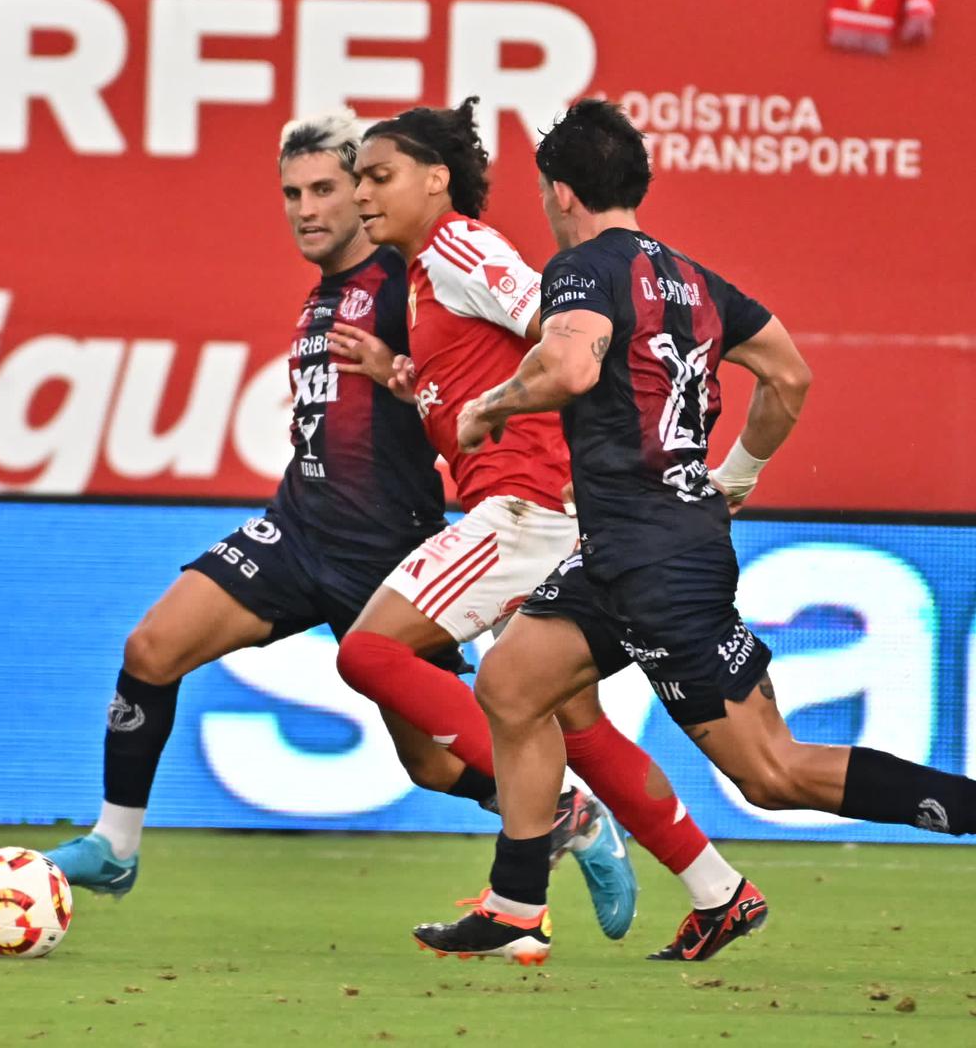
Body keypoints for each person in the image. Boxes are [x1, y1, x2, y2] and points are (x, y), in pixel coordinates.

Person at [418, 98, 976, 966]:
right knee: (513, 685)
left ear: (560, 192)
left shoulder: (583, 269)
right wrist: (735, 477)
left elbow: (568, 363)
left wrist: (490, 405)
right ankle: (515, 904)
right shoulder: (695, 280)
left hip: (657, 566)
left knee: (773, 772)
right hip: (626, 549)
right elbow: (788, 376)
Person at [43, 111, 625, 918]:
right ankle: (115, 845)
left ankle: (567, 815)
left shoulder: (408, 281)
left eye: (327, 189)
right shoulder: (323, 299)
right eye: (291, 193)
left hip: (389, 554)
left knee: (430, 765)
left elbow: (525, 348)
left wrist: (547, 451)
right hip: (298, 531)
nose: (306, 208)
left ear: (365, 194)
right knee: (151, 648)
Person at [334, 101, 752, 951]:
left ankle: (556, 813)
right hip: (552, 504)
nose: (362, 198)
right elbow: (499, 376)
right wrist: (412, 383)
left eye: (379, 178)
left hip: (527, 506)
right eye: (359, 183)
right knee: (570, 719)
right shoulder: (424, 276)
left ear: (436, 180)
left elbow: (562, 343)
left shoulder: (459, 246)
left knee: (371, 651)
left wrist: (556, 442)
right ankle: (719, 887)